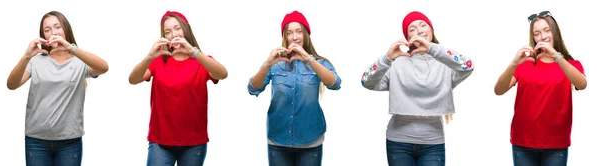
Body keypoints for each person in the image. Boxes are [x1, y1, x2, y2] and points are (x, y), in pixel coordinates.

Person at [361, 11, 474, 166]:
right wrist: (386, 58)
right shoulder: (397, 63)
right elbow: (366, 81)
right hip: (398, 142)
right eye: (412, 29)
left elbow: (468, 66)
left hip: (433, 143)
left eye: (423, 25)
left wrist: (432, 49)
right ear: (408, 38)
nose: (419, 31)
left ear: (431, 30)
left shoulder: (445, 62)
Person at [6, 11, 109, 166]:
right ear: (44, 36)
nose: (53, 32)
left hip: (70, 142)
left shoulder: (79, 61)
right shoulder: (35, 61)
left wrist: (71, 48)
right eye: (47, 30)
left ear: (66, 29)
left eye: (57, 27)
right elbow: (11, 85)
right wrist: (26, 56)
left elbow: (104, 67)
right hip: (36, 140)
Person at [128, 11, 228, 166]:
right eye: (167, 32)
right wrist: (149, 56)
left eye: (177, 28)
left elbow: (222, 74)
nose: (173, 34)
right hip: (160, 141)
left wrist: (194, 52)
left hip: (194, 143)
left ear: (186, 30)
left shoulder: (200, 61)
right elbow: (133, 80)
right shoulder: (158, 61)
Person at [247, 10, 342, 166]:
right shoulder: (275, 63)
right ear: (285, 36)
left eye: (299, 32)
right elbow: (252, 88)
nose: (295, 37)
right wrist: (268, 64)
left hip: (310, 139)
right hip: (278, 139)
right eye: (289, 33)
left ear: (306, 34)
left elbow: (335, 84)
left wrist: (309, 59)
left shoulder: (318, 62)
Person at [494, 11, 587, 166]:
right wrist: (513, 63)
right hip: (523, 141)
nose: (542, 37)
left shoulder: (571, 64)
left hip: (556, 143)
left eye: (546, 30)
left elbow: (582, 84)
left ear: (554, 31)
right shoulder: (526, 63)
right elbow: (499, 90)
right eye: (537, 33)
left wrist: (557, 57)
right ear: (533, 38)